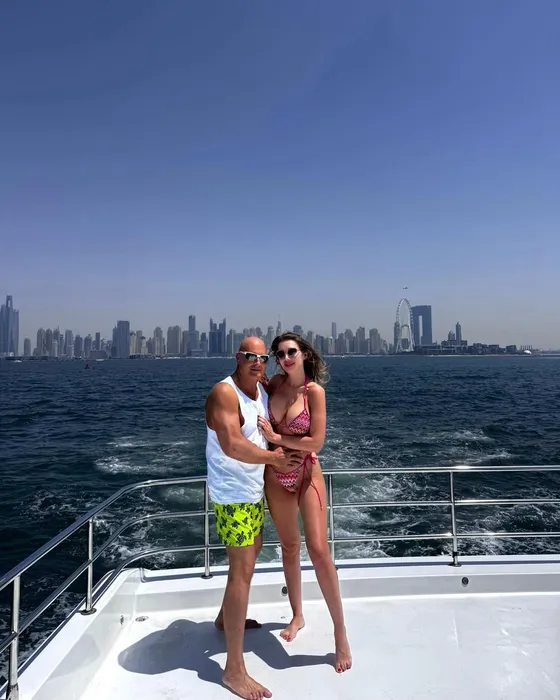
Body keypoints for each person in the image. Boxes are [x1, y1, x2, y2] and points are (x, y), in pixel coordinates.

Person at [205, 336, 304, 700]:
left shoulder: (258, 388)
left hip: (252, 491)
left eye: (263, 357)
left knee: (254, 550)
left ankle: (223, 619)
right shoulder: (224, 393)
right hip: (232, 495)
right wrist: (275, 459)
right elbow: (231, 443)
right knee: (242, 570)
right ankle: (233, 670)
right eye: (250, 356)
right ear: (238, 357)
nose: (257, 362)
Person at [257, 332, 352, 674]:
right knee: (288, 546)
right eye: (280, 354)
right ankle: (297, 615)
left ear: (304, 354)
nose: (285, 358)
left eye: (291, 352)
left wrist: (276, 438)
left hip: (307, 474)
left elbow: (316, 442)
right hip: (275, 477)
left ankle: (340, 631)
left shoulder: (314, 393)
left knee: (318, 550)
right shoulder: (273, 385)